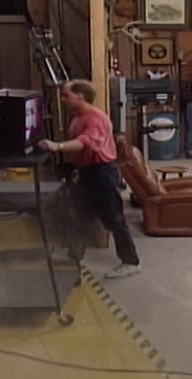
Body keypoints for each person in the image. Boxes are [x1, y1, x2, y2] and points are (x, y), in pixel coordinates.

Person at [38, 80, 141, 279]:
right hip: (87, 171)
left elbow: (86, 142)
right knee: (79, 216)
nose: (63, 99)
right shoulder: (77, 117)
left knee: (114, 218)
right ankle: (75, 256)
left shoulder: (96, 119)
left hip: (102, 172)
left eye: (66, 95)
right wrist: (76, 168)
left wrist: (57, 146)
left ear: (80, 96)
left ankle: (131, 262)